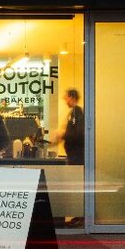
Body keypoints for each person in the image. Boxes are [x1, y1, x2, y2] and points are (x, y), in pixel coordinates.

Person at [53, 87, 85, 228]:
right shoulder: (74, 113)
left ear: (72, 98)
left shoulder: (76, 112)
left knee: (77, 186)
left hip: (77, 156)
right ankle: (79, 216)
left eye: (66, 97)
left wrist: (62, 134)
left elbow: (78, 134)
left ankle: (81, 217)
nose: (65, 100)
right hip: (75, 155)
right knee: (77, 186)